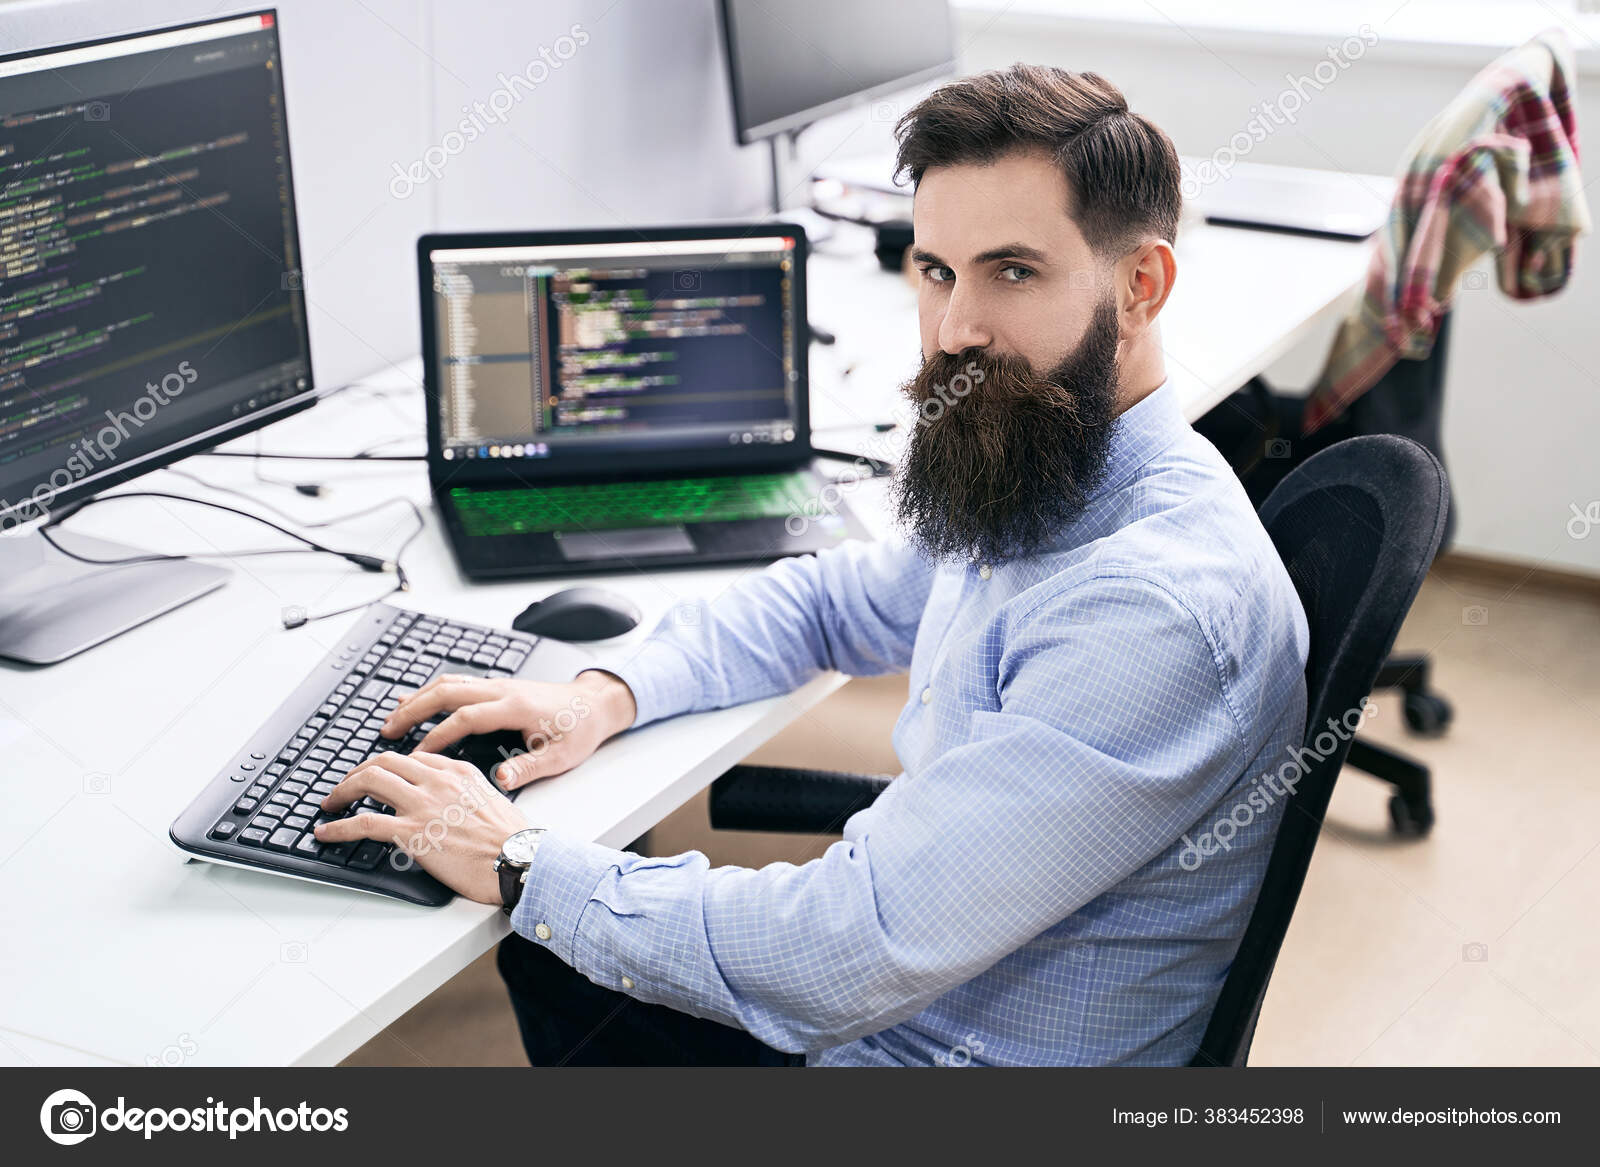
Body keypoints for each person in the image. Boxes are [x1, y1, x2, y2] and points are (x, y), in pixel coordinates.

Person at [314, 63, 1309, 1067]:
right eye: (935, 271)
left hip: (936, 1054)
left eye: (1013, 272)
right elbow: (834, 604)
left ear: (1139, 286)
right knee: (560, 951)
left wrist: (522, 864)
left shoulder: (1148, 610)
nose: (958, 328)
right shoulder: (1056, 468)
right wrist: (608, 692)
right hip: (928, 997)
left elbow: (843, 950)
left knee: (550, 935)